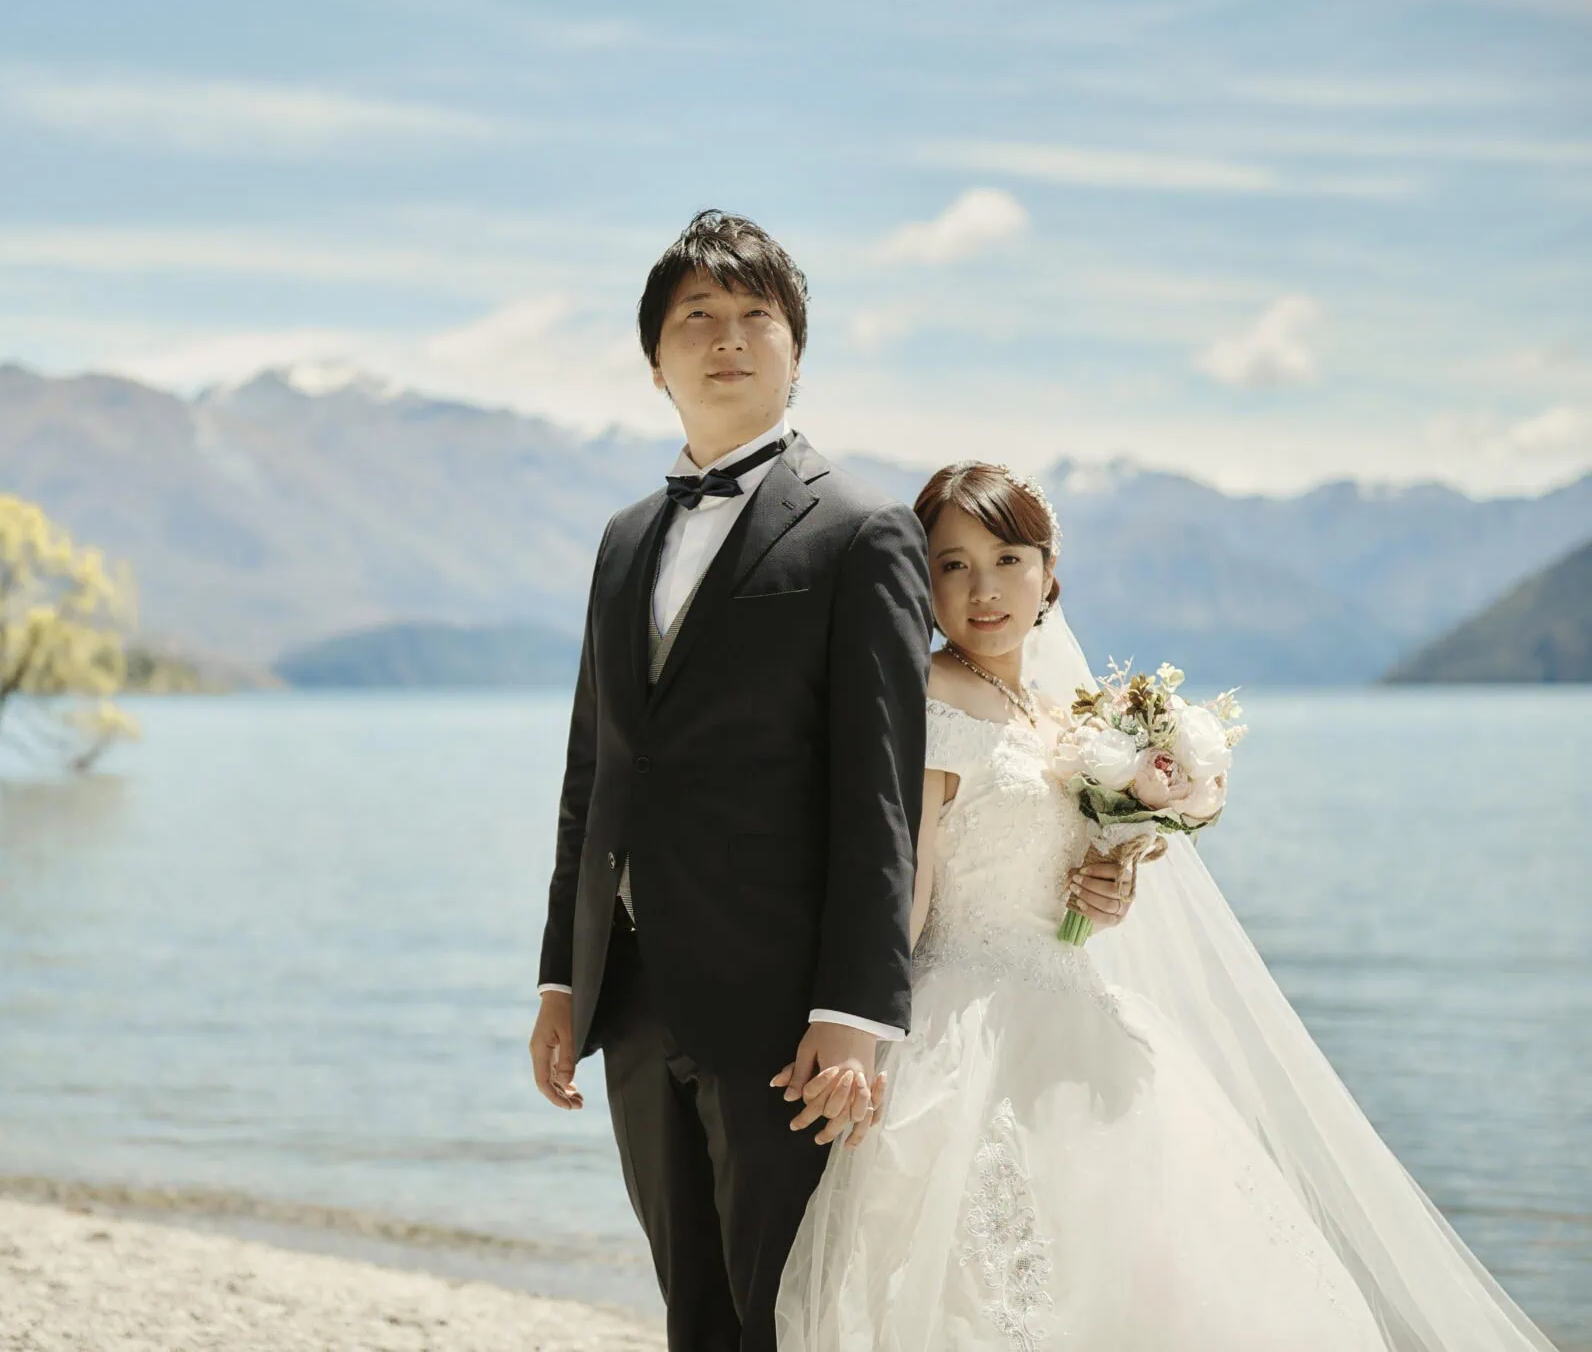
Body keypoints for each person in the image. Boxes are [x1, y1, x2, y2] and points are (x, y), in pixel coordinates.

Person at [775, 462, 1559, 1351]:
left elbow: (1061, 877)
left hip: (1072, 1003)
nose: (983, 588)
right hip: (964, 1017)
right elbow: (905, 884)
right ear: (923, 582)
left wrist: (1104, 892)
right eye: (951, 566)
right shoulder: (929, 698)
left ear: (1049, 573)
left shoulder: (1070, 715)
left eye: (1008, 557)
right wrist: (863, 1035)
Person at [526, 208, 972, 1352]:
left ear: (793, 349)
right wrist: (560, 979)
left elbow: (878, 794)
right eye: (696, 319)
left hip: (785, 1010)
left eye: (752, 319)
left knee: (783, 1306)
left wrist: (856, 1012)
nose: (726, 339)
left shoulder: (862, 533)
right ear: (654, 358)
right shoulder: (625, 538)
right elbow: (594, 768)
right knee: (693, 1310)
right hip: (629, 990)